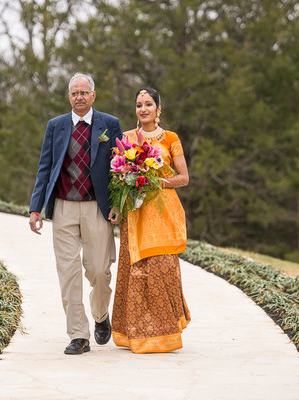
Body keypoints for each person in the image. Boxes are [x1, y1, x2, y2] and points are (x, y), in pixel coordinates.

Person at [29, 73, 123, 355]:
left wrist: (118, 203)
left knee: (98, 271)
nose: (79, 97)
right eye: (74, 93)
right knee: (68, 273)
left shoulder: (109, 124)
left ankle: (100, 315)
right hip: (64, 207)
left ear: (94, 95)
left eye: (84, 92)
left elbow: (120, 168)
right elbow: (44, 168)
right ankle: (79, 335)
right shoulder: (56, 126)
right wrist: (36, 208)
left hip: (98, 208)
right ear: (68, 97)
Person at [110, 87, 191, 353]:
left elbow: (183, 178)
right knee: (135, 269)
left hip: (162, 213)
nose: (143, 109)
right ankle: (133, 334)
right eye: (138, 104)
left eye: (148, 104)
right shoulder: (127, 138)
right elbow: (117, 175)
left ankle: (166, 333)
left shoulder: (170, 138)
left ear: (158, 109)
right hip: (135, 213)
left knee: (162, 267)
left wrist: (154, 179)